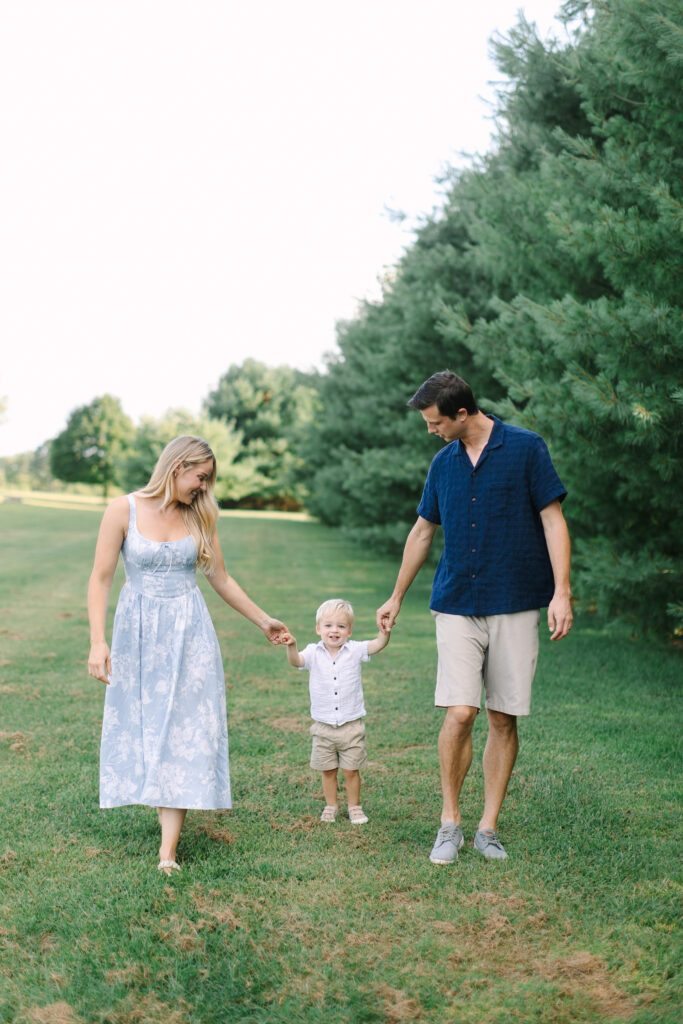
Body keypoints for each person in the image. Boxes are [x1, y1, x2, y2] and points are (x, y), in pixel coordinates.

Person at [376, 371, 572, 864]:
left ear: (462, 413)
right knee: (461, 711)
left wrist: (562, 592)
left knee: (503, 717)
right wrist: (397, 595)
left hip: (517, 600)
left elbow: (553, 519)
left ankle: (488, 826)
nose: (430, 430)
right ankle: (450, 823)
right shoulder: (443, 464)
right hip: (457, 601)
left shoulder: (527, 449)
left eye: (435, 421)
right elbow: (422, 532)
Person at [87, 435, 287, 874]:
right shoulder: (124, 509)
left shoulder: (200, 516)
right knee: (148, 725)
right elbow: (101, 577)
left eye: (208, 480)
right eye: (201, 476)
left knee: (183, 727)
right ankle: (162, 822)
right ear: (178, 466)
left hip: (188, 634)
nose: (204, 486)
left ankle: (167, 851)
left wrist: (263, 620)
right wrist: (97, 641)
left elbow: (220, 578)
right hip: (137, 633)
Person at [280, 598, 389, 824]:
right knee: (328, 770)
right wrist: (291, 645)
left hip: (351, 726)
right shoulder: (312, 652)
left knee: (351, 771)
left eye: (341, 626)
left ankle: (354, 807)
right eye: (328, 626)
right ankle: (331, 805)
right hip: (323, 727)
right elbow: (295, 661)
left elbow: (377, 645)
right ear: (319, 629)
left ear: (349, 630)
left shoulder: (355, 650)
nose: (334, 631)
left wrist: (384, 633)